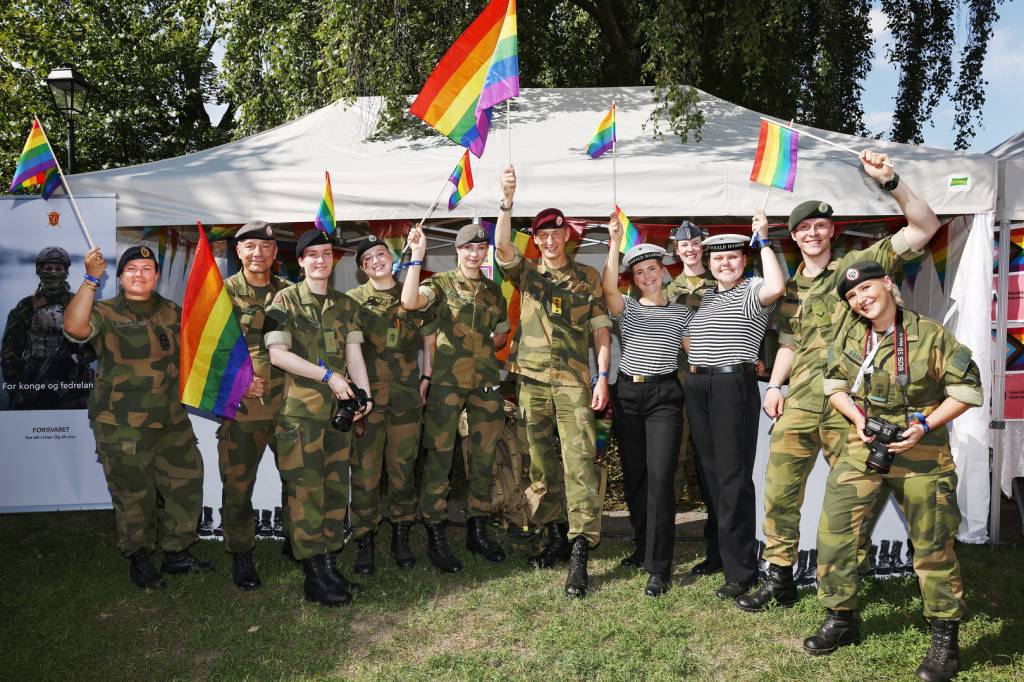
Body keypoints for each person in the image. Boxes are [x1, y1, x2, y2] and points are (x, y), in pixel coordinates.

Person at [738, 150, 946, 612]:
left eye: (819, 226)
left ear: (830, 231)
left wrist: (891, 181)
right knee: (779, 490)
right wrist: (775, 385)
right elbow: (789, 341)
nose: (812, 233)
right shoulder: (790, 286)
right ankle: (780, 577)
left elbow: (925, 227)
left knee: (852, 500)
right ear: (793, 237)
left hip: (848, 407)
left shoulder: (861, 267)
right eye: (803, 228)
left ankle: (841, 590)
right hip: (799, 403)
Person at [802, 261, 981, 682]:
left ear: (886, 284)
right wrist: (859, 419)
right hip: (862, 447)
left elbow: (968, 390)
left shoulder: (929, 334)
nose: (861, 300)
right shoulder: (850, 334)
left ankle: (944, 637)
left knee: (933, 546)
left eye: (866, 289)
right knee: (835, 534)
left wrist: (923, 426)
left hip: (922, 452)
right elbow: (834, 385)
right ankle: (841, 618)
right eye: (852, 296)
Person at [63, 245, 212, 590]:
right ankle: (141, 557)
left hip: (172, 419)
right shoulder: (104, 311)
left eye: (147, 268)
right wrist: (90, 280)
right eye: (132, 269)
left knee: (186, 484)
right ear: (120, 276)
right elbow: (75, 328)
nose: (140, 274)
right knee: (134, 493)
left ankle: (176, 552)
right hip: (122, 423)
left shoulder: (173, 311)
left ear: (157, 276)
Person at [494, 165, 612, 599]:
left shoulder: (588, 278)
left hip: (573, 383)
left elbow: (601, 329)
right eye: (543, 234)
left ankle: (581, 547)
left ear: (567, 237)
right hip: (530, 381)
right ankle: (555, 534)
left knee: (580, 461)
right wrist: (506, 201)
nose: (550, 240)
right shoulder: (526, 274)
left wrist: (602, 376)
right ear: (538, 240)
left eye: (556, 233)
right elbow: (502, 245)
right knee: (541, 462)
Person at [264, 229, 372, 606]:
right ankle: (313, 574)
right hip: (300, 416)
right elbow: (278, 355)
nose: (320, 260)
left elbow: (354, 353)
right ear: (301, 261)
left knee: (332, 491)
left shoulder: (346, 304)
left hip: (337, 416)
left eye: (326, 254)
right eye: (312, 255)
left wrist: (364, 394)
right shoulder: (284, 300)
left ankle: (327, 564)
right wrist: (328, 376)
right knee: (306, 493)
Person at [683, 215, 785, 601]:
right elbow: (688, 337)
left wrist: (764, 241)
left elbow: (778, 285)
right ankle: (722, 557)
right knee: (710, 476)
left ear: (744, 260)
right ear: (709, 263)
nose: (725, 263)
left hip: (731, 384)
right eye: (718, 258)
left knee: (733, 479)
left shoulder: (754, 289)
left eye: (732, 257)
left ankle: (741, 571)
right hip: (700, 384)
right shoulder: (706, 296)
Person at [400, 222, 509, 573]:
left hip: (486, 384)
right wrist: (417, 257)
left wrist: (479, 350)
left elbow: (502, 336)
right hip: (447, 386)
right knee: (440, 458)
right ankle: (436, 532)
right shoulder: (440, 285)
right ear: (457, 252)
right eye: (468, 249)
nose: (475, 254)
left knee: (484, 456)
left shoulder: (494, 291)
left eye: (480, 249)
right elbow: (409, 301)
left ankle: (478, 529)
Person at [603, 224, 692, 597]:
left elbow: (696, 354)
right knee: (636, 477)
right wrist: (612, 242)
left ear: (664, 270)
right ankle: (642, 547)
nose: (646, 276)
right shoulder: (627, 309)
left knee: (659, 479)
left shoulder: (682, 312)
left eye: (651, 269)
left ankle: (659, 567)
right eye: (638, 272)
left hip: (664, 396)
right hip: (627, 394)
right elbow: (607, 287)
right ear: (633, 279)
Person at [347, 235, 434, 576]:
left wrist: (426, 379)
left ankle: (401, 535)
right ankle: (365, 539)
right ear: (362, 268)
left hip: (406, 401)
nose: (375, 261)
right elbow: (347, 350)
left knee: (402, 472)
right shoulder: (352, 301)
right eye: (367, 258)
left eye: (380, 254)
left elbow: (430, 341)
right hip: (368, 404)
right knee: (366, 475)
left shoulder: (414, 295)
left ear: (392, 257)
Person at [216, 220, 292, 590]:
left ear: (275, 252)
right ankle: (242, 553)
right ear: (239, 252)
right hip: (243, 410)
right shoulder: (221, 294)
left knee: (297, 479)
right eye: (250, 246)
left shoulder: (292, 293)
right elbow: (206, 351)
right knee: (238, 485)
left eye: (265, 246)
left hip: (291, 405)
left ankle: (297, 541)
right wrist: (237, 383)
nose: (258, 253)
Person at [662, 222, 719, 574]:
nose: (690, 249)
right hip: (676, 388)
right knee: (671, 463)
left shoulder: (723, 282)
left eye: (696, 243)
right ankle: (663, 544)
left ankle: (718, 545)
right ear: (676, 249)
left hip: (714, 386)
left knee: (714, 466)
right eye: (684, 244)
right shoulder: (666, 290)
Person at [3, 246, 94, 410]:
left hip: (72, 388)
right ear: (39, 270)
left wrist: (74, 359)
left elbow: (96, 344)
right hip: (32, 385)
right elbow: (10, 350)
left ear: (66, 271)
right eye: (48, 268)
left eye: (59, 268)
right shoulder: (25, 306)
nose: (53, 272)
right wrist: (15, 388)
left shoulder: (80, 304)